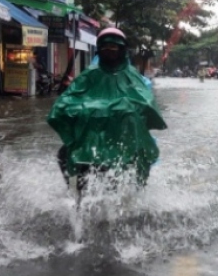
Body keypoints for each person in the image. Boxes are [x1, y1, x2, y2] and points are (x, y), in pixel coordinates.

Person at [48, 27, 167, 192]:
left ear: (121, 50)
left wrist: (124, 108)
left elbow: (145, 102)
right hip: (90, 136)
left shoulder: (132, 76)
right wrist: (83, 109)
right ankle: (74, 194)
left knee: (141, 154)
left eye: (113, 48)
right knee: (65, 155)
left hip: (123, 137)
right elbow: (66, 101)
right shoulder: (90, 74)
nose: (109, 51)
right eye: (105, 48)